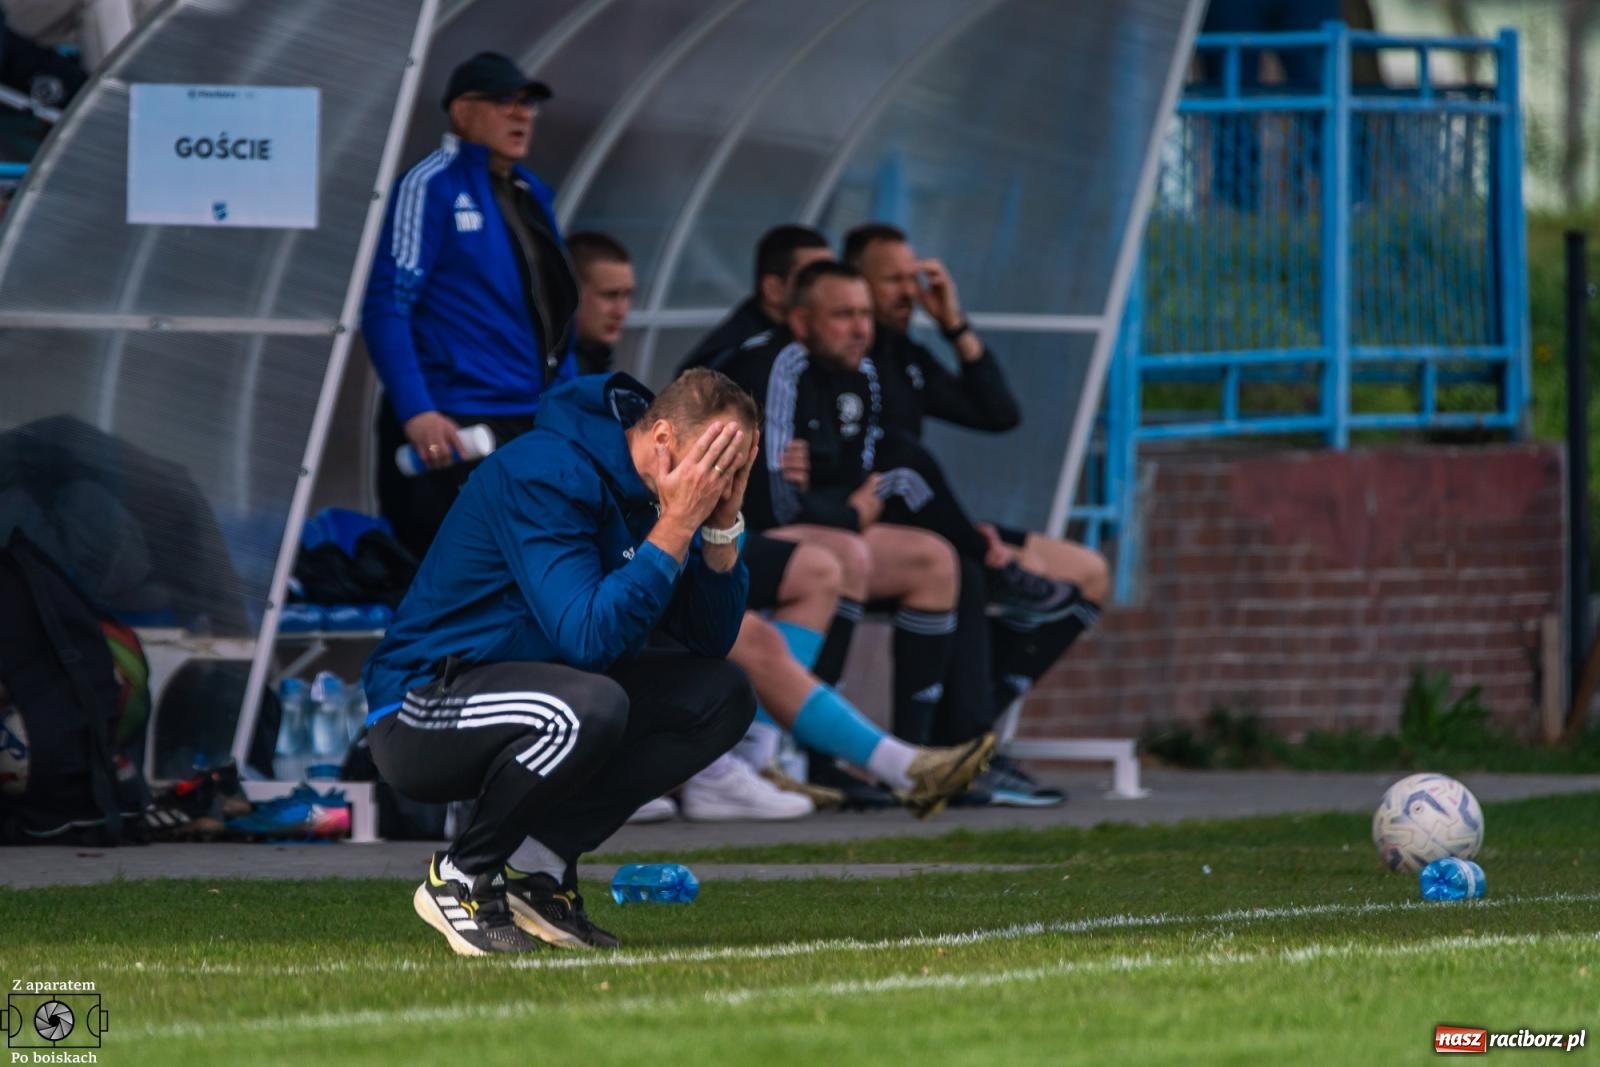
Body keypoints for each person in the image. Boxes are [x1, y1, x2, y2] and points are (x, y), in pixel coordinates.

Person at [363, 369, 760, 956]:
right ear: (662, 439)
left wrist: (721, 528)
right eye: (715, 461)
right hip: (424, 707)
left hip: (544, 696)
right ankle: (462, 876)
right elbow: (587, 639)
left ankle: (537, 868)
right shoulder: (545, 471)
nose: (717, 481)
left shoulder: (654, 492)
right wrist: (676, 527)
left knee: (721, 696)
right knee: (591, 704)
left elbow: (708, 639)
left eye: (736, 467)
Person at [845, 224, 1112, 805]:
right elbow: (895, 461)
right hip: (894, 529)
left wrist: (954, 325)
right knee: (957, 563)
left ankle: (971, 739)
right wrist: (970, 537)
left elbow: (998, 413)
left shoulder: (906, 355)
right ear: (854, 284)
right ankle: (962, 745)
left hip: (941, 520)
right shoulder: (847, 360)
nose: (908, 291)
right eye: (891, 278)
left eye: (913, 278)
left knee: (1088, 571)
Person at [363, 51, 579, 559]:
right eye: (505, 101)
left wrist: (570, 410)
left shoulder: (532, 194)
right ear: (461, 111)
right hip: (454, 429)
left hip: (528, 424)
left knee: (542, 584)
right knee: (464, 590)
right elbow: (386, 305)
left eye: (527, 103)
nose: (521, 114)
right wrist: (418, 411)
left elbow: (553, 318)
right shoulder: (430, 185)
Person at [679, 223, 833, 373]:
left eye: (833, 275)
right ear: (773, 289)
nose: (833, 289)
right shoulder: (737, 359)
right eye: (813, 278)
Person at [566, 230, 634, 376]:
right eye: (610, 295)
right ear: (571, 294)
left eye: (627, 295)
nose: (620, 312)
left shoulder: (596, 366)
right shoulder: (548, 377)